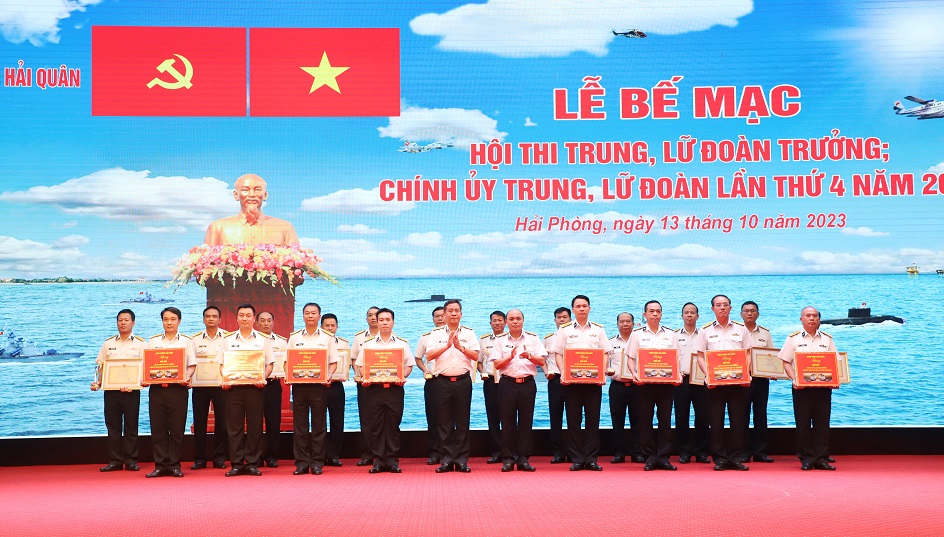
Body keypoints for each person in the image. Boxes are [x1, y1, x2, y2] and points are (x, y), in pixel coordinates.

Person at [551, 295, 613, 472]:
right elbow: (558, 353)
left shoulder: (598, 330)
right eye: (578, 306)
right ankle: (577, 459)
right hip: (572, 383)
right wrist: (563, 373)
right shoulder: (565, 330)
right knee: (574, 422)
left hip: (593, 383)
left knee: (593, 421)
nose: (581, 309)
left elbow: (605, 353)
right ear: (573, 309)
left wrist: (602, 373)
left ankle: (592, 459)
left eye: (584, 306)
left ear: (589, 308)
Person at [694, 295, 754, 471]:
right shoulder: (705, 330)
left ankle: (736, 458)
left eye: (725, 305)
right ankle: (719, 458)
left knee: (738, 422)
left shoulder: (741, 329)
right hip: (715, 384)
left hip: (738, 383)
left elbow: (748, 354)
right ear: (712, 309)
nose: (722, 308)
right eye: (718, 305)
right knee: (716, 423)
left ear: (730, 308)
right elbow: (700, 356)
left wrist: (746, 373)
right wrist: (708, 375)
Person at [779, 307, 838, 471]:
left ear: (819, 319)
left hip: (823, 388)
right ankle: (806, 458)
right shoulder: (793, 339)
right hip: (801, 388)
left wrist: (835, 379)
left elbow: (834, 362)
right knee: (803, 424)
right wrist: (794, 379)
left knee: (822, 424)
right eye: (808, 315)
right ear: (801, 319)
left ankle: (822, 458)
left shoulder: (827, 339)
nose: (811, 318)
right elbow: (785, 361)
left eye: (814, 316)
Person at [488, 309, 546, 472]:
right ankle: (508, 459)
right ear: (506, 322)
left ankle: (523, 459)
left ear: (523, 321)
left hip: (527, 384)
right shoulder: (500, 340)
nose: (515, 321)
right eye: (511, 319)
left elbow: (542, 361)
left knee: (526, 422)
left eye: (518, 318)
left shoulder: (533, 338)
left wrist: (529, 356)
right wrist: (510, 356)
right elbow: (496, 365)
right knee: (507, 423)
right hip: (507, 384)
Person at [356, 308, 413, 473]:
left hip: (394, 389)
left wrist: (403, 376)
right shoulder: (368, 344)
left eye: (388, 320)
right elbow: (361, 366)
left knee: (393, 425)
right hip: (374, 390)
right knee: (376, 426)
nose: (385, 323)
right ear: (377, 322)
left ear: (393, 322)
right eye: (381, 320)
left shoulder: (401, 344)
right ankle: (379, 461)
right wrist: (365, 377)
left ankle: (393, 461)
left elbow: (409, 365)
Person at [220, 304, 274, 476]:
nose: (245, 318)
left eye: (248, 315)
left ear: (254, 318)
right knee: (234, 427)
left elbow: (270, 364)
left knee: (255, 427)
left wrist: (263, 377)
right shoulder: (227, 340)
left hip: (255, 389)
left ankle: (252, 462)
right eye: (241, 315)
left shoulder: (263, 340)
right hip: (233, 390)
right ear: (237, 318)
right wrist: (225, 379)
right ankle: (236, 463)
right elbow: (222, 365)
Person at [425, 299, 479, 473]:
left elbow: (476, 356)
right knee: (444, 423)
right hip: (442, 382)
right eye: (450, 311)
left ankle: (462, 460)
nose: (453, 313)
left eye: (456, 310)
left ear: (461, 314)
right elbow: (429, 356)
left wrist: (460, 347)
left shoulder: (469, 333)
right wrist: (448, 346)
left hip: (463, 381)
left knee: (463, 422)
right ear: (445, 314)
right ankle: (446, 460)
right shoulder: (436, 334)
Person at [285, 302, 339, 475]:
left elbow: (333, 362)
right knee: (300, 425)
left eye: (313, 313)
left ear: (318, 316)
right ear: (303, 316)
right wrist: (288, 375)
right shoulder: (294, 338)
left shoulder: (327, 338)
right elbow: (287, 362)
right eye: (307, 313)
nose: (310, 315)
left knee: (319, 425)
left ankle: (317, 463)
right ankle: (301, 463)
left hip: (319, 387)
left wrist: (328, 375)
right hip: (299, 387)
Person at [625, 301, 679, 471]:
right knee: (645, 421)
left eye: (658, 311)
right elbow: (630, 358)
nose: (655, 314)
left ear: (661, 314)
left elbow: (676, 359)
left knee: (665, 421)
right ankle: (649, 457)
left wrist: (678, 375)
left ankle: (663, 457)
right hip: (644, 385)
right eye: (651, 311)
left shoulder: (670, 334)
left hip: (665, 385)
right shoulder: (637, 335)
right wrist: (634, 374)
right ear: (645, 314)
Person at [91, 308, 146, 472]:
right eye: (120, 320)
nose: (123, 323)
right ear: (117, 323)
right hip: (111, 392)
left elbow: (146, 368)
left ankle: (131, 460)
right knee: (113, 427)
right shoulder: (108, 343)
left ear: (133, 323)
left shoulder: (141, 344)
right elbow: (100, 366)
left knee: (131, 427)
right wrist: (98, 382)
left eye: (126, 320)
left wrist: (142, 383)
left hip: (132, 392)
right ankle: (115, 461)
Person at [145, 307, 197, 478]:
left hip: (178, 390)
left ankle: (174, 465)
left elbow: (191, 365)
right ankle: (160, 465)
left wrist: (186, 377)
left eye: (173, 319)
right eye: (166, 319)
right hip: (157, 390)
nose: (169, 322)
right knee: (158, 428)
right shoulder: (153, 341)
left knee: (176, 429)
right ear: (162, 321)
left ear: (179, 321)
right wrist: (144, 378)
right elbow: (147, 365)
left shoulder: (187, 341)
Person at [203, 173, 299, 246]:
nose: (252, 195)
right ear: (236, 195)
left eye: (257, 190)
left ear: (265, 195)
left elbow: (297, 262)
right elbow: (206, 263)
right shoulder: (217, 228)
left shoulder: (285, 228)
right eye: (245, 190)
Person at [190, 306, 228, 470]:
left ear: (220, 319)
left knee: (222, 422)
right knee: (200, 422)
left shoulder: (228, 338)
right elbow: (189, 362)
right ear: (203, 319)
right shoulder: (194, 340)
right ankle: (200, 459)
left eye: (214, 316)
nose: (211, 319)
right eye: (208, 316)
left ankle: (219, 458)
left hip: (222, 386)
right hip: (200, 386)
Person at [674, 302, 710, 464]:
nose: (689, 315)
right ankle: (684, 451)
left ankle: (701, 451)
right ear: (682, 316)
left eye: (692, 313)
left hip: (701, 381)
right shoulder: (675, 335)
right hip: (681, 381)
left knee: (703, 416)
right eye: (686, 312)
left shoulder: (704, 334)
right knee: (682, 417)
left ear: (698, 316)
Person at [739, 301, 774, 463]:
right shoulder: (736, 332)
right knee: (742, 416)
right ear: (741, 314)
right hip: (742, 379)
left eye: (752, 311)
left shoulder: (765, 333)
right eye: (746, 311)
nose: (749, 313)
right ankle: (743, 452)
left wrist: (773, 371)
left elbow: (771, 355)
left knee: (761, 415)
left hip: (761, 379)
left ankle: (761, 452)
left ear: (758, 314)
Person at [607, 312, 644, 464]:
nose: (625, 324)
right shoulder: (610, 343)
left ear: (633, 324)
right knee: (617, 420)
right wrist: (607, 371)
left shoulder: (641, 342)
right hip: (618, 386)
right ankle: (619, 452)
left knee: (638, 420)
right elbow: (605, 364)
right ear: (617, 324)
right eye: (622, 321)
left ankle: (637, 452)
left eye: (628, 321)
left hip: (637, 387)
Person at [414, 306, 445, 465]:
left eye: (442, 315)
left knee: (450, 418)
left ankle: (449, 452)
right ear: (433, 319)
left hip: (450, 381)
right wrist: (425, 369)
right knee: (433, 418)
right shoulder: (426, 338)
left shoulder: (456, 336)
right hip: (432, 381)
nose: (440, 318)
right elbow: (418, 358)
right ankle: (434, 452)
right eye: (436, 316)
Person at [351, 306, 381, 467]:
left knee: (383, 421)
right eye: (370, 315)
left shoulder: (391, 337)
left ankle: (384, 453)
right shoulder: (359, 338)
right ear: (366, 319)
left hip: (385, 384)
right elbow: (354, 359)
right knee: (366, 420)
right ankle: (368, 454)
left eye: (376, 315)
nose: (373, 318)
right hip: (365, 384)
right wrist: (360, 375)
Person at [257, 311, 286, 468]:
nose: (266, 323)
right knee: (255, 422)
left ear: (273, 323)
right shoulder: (252, 340)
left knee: (273, 421)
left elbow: (287, 363)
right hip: (254, 385)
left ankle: (272, 456)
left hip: (273, 384)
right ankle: (256, 456)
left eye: (269, 320)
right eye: (262, 320)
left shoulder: (281, 342)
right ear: (257, 323)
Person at [321, 313, 349, 467]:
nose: (330, 328)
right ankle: (320, 454)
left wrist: (344, 374)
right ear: (321, 327)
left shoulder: (344, 344)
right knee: (319, 422)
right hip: (319, 387)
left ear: (337, 326)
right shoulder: (317, 343)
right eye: (327, 325)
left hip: (337, 386)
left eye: (333, 325)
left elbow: (347, 365)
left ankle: (334, 455)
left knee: (337, 422)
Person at [544, 307, 571, 463]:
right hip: (555, 380)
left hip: (573, 381)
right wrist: (546, 371)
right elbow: (542, 358)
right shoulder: (549, 339)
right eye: (559, 317)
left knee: (573, 418)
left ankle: (573, 451)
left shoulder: (575, 337)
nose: (562, 320)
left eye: (565, 317)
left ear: (570, 319)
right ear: (555, 320)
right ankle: (558, 452)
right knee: (555, 416)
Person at [480, 310, 506, 464]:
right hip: (490, 382)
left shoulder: (510, 339)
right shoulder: (483, 340)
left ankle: (510, 451)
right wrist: (482, 372)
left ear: (505, 322)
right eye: (494, 321)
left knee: (509, 417)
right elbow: (478, 362)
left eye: (500, 320)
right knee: (493, 417)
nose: (497, 323)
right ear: (490, 323)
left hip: (507, 381)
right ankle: (497, 452)